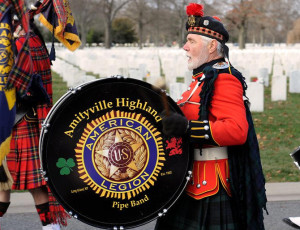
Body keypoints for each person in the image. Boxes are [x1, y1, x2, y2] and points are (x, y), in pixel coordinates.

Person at [156, 3, 267, 230]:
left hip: (210, 185)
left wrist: (188, 128)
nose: (185, 47)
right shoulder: (201, 80)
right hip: (188, 181)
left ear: (212, 46)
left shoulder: (224, 79)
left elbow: (237, 131)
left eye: (191, 42)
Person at [0, 14, 68, 230]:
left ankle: (52, 228)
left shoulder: (24, 44)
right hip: (18, 121)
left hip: (20, 121)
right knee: (4, 185)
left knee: (34, 185)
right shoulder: (27, 40)